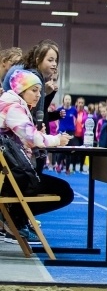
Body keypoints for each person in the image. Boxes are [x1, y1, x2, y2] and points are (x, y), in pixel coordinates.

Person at [0, 70, 73, 244]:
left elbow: (27, 137)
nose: (38, 95)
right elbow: (32, 138)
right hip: (13, 178)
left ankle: (15, 216)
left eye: (39, 91)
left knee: (62, 189)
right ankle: (13, 216)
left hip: (12, 174)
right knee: (64, 191)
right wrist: (57, 140)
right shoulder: (13, 107)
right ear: (21, 90)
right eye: (34, 90)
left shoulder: (11, 104)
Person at [3, 40, 63, 174]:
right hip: (16, 149)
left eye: (56, 61)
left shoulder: (27, 71)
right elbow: (38, 116)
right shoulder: (33, 76)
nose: (54, 64)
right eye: (50, 60)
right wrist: (56, 138)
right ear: (38, 60)